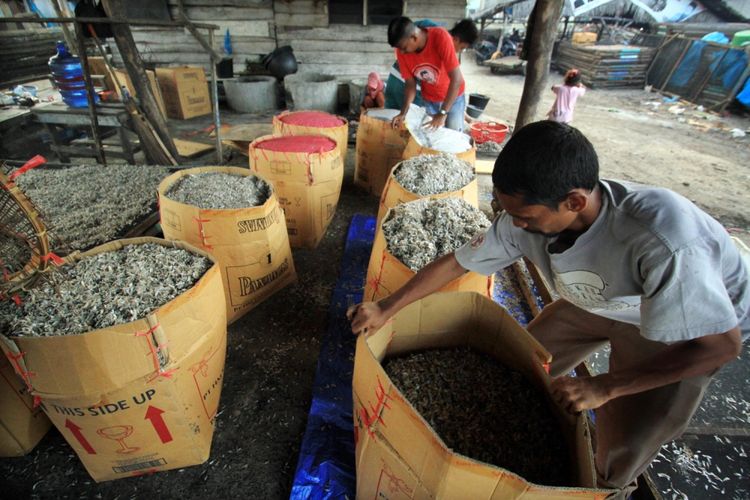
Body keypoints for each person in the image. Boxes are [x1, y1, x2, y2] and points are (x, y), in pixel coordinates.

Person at [348, 120, 748, 497]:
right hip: (609, 298)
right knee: (521, 360)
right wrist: (387, 306)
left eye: (525, 217)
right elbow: (458, 262)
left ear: (574, 201)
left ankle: (605, 489)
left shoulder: (663, 242)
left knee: (626, 437)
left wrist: (605, 387)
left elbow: (720, 347)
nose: (515, 225)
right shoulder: (526, 219)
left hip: (691, 324)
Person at [386, 17, 477, 132]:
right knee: (431, 138)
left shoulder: (440, 37)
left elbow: (456, 80)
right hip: (430, 99)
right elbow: (410, 85)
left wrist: (443, 113)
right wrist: (403, 113)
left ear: (414, 37)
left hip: (454, 97)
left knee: (454, 135)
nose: (402, 52)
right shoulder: (401, 51)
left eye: (404, 48)